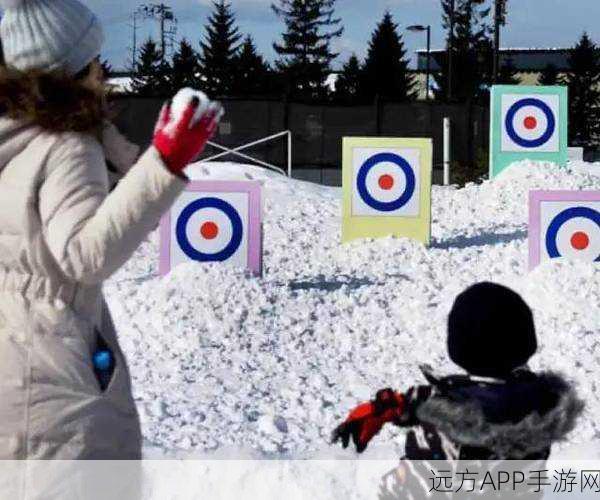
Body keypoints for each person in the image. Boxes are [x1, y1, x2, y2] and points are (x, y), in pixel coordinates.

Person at [0, 0, 220, 459]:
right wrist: (165, 163)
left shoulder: (15, 136)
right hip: (52, 374)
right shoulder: (66, 146)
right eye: (95, 59)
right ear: (76, 68)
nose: (104, 73)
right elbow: (84, 255)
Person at [332, 282, 584, 462]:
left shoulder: (444, 430)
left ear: (460, 347)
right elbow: (480, 397)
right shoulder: (543, 405)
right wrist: (399, 404)